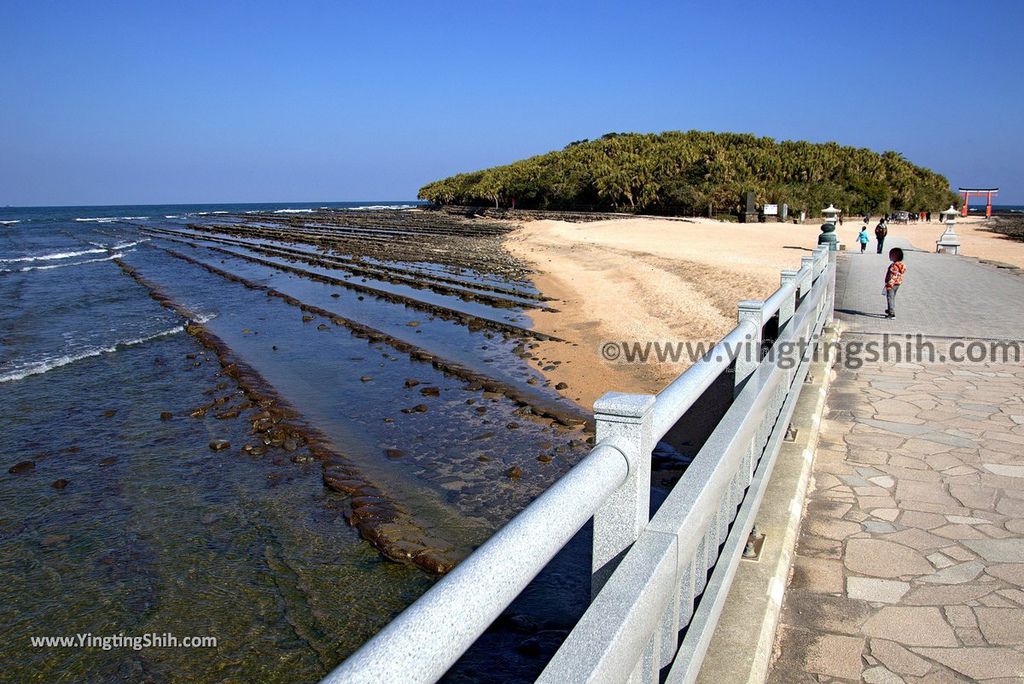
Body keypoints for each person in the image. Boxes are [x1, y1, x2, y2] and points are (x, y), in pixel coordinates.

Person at [884, 247, 905, 318]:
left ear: (895, 256)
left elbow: (893, 276)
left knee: (890, 297)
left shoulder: (893, 266)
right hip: (897, 283)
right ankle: (890, 308)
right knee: (892, 297)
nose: (889, 256)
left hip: (892, 284)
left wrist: (889, 284)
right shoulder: (901, 265)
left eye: (891, 255)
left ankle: (891, 313)